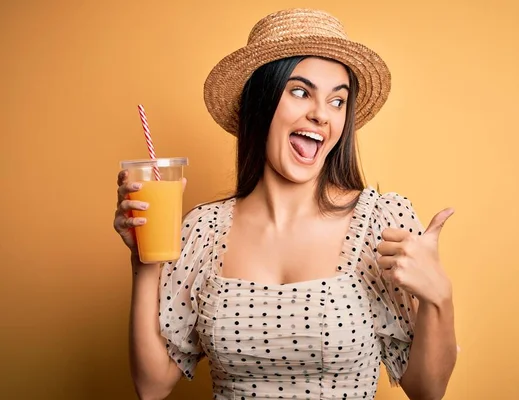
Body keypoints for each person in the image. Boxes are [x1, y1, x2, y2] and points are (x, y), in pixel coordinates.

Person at [113, 8, 457, 400]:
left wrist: (438, 298)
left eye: (337, 101)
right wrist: (144, 264)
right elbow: (151, 386)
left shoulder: (381, 223)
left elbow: (427, 390)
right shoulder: (203, 231)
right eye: (300, 92)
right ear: (259, 104)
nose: (320, 115)